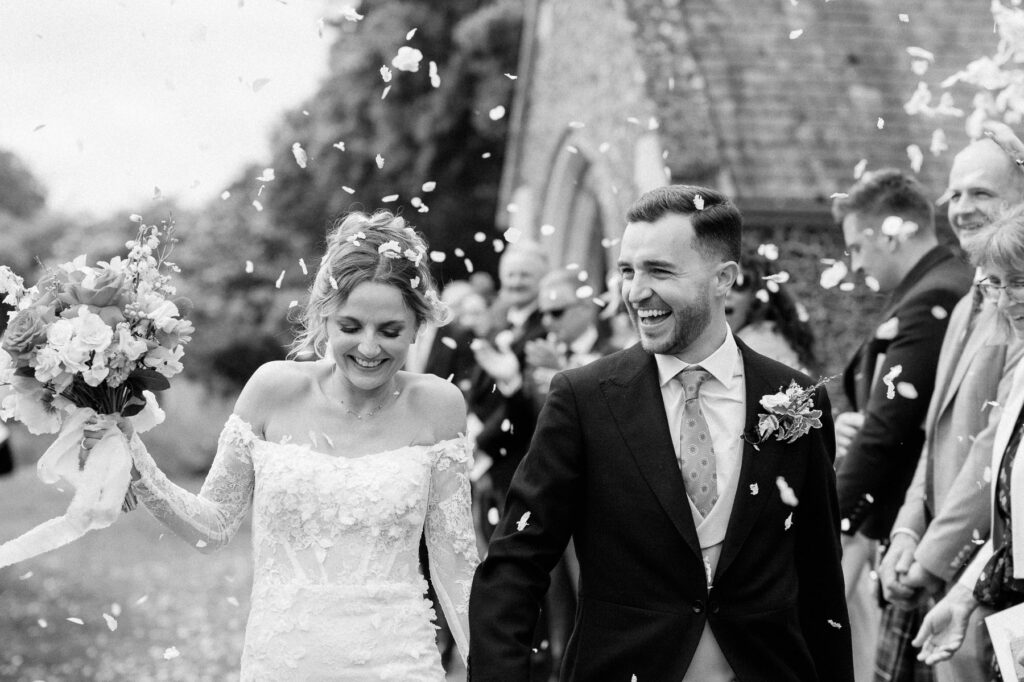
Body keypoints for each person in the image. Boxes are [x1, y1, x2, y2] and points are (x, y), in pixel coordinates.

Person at [470, 184, 853, 681]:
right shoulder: (584, 399)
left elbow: (821, 577)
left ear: (724, 280)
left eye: (660, 271)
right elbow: (515, 565)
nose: (635, 292)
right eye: (628, 271)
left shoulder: (796, 399)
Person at [86, 211, 478, 680]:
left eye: (390, 331)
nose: (369, 348)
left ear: (418, 326)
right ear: (323, 318)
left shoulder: (439, 406)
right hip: (283, 660)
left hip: (400, 661)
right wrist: (136, 460)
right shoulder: (272, 390)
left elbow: (456, 568)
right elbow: (212, 527)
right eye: (350, 327)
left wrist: (495, 668)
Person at [879, 128, 1024, 682]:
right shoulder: (972, 299)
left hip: (991, 574)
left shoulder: (1014, 304)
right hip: (953, 576)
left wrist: (928, 560)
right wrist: (907, 531)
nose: (961, 207)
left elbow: (994, 452)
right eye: (955, 194)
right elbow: (936, 432)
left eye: (980, 193)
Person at [831, 168, 973, 682]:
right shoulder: (937, 287)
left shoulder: (934, 299)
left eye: (857, 246)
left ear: (889, 231)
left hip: (925, 533)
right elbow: (885, 412)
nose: (856, 262)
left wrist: (826, 519)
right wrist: (852, 419)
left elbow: (890, 431)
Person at [913, 205, 1024, 680]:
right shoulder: (1020, 379)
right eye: (994, 283)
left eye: (1017, 280)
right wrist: (962, 599)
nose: (1004, 300)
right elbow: (1011, 526)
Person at [727, 250, 817, 375]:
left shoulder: (758, 343)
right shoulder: (768, 335)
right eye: (721, 281)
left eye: (738, 284)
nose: (726, 293)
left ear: (757, 293)